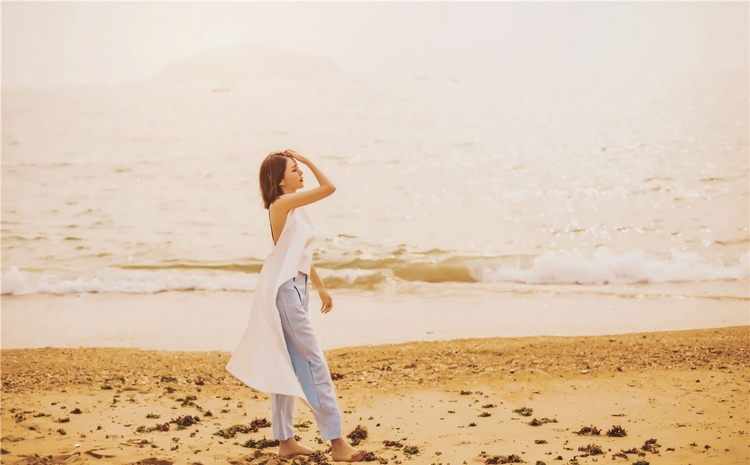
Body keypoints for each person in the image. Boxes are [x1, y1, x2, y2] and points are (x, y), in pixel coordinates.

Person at [226, 150, 366, 462]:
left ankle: (285, 441)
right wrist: (310, 159)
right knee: (314, 364)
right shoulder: (281, 203)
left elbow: (296, 252)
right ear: (279, 180)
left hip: (294, 286)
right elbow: (329, 188)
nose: (301, 173)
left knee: (284, 362)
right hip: (285, 291)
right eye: (295, 169)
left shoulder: (295, 209)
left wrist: (320, 286)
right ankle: (338, 443)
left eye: (301, 168)